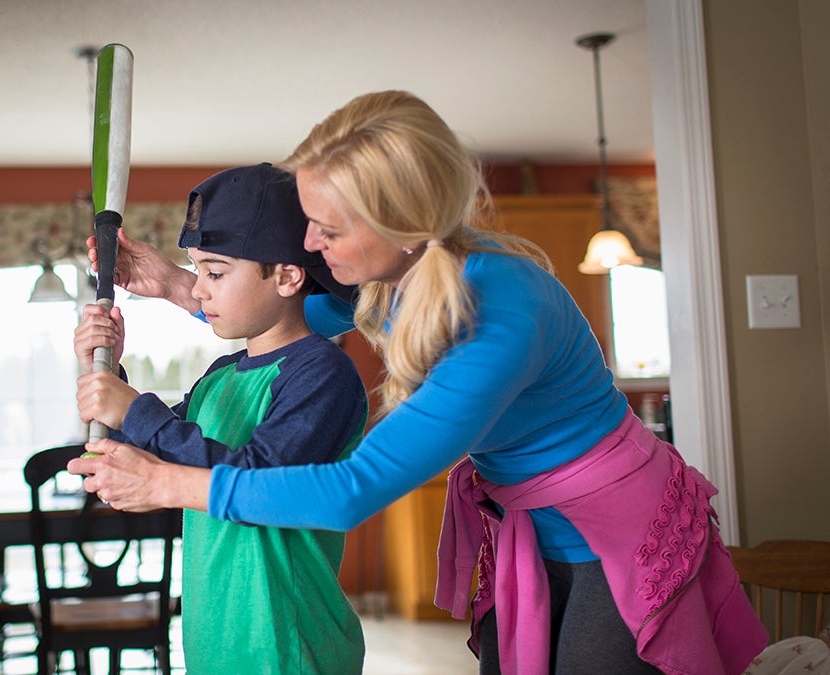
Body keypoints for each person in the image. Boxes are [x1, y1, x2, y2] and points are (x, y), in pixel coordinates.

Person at [70, 91, 768, 674]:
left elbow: (350, 490)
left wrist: (165, 482)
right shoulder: (395, 273)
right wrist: (167, 282)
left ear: (401, 225)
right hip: (524, 516)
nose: (307, 245)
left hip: (616, 522)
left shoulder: (500, 315)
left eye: (326, 228)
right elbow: (281, 304)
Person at [74, 162, 369, 674]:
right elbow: (154, 460)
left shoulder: (322, 373)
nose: (199, 289)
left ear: (287, 276)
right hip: (218, 640)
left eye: (214, 272)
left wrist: (133, 405)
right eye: (197, 269)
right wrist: (107, 372)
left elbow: (257, 480)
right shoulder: (221, 374)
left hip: (287, 646)